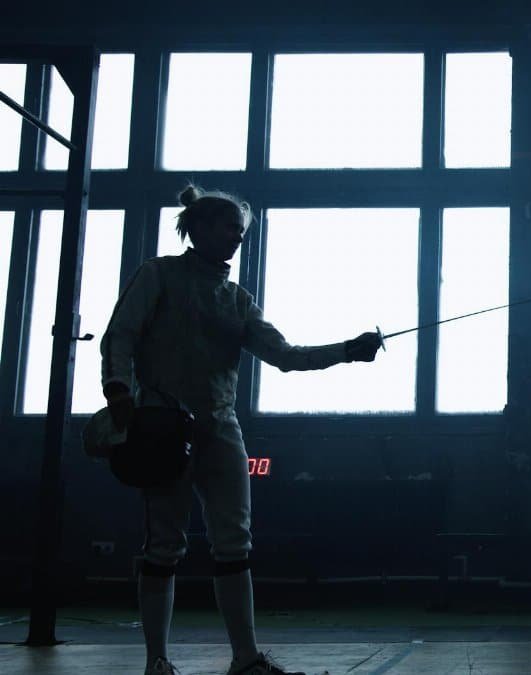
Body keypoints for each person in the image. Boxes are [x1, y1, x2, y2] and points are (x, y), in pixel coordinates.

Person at [100, 185, 383, 675]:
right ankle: (156, 662)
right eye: (230, 227)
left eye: (241, 231)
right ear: (200, 226)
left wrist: (346, 351)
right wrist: (118, 391)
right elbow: (119, 335)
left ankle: (246, 660)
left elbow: (286, 357)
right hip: (161, 425)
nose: (237, 237)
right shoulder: (158, 275)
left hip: (220, 426)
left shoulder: (238, 299)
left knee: (235, 541)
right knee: (164, 544)